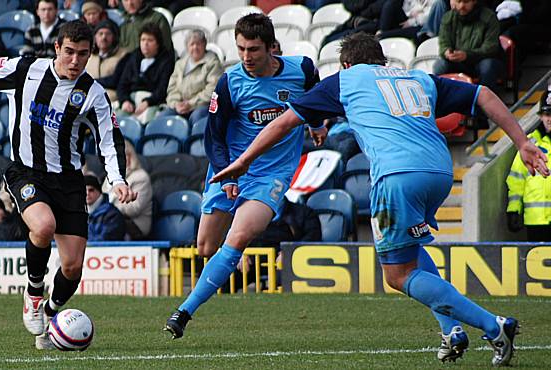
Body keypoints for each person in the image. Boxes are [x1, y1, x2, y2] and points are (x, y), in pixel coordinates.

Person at [210, 32, 550, 366]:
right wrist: (521, 141)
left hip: (397, 177)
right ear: (382, 60)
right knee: (412, 253)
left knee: (397, 275)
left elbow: (283, 124)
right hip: (440, 174)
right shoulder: (418, 78)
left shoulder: (344, 80)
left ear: (345, 64)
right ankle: (451, 330)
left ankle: (494, 326)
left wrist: (242, 162)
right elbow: (484, 95)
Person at [0, 20, 137, 350]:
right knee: (43, 226)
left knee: (72, 266)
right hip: (26, 172)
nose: (75, 61)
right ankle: (34, 292)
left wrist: (118, 180)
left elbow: (109, 141)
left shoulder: (93, 94)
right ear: (57, 48)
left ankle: (50, 319)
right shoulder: (26, 70)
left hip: (68, 182)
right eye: (69, 52)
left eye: (83, 54)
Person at [163, 13, 323, 340]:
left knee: (238, 237)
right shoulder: (230, 81)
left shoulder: (302, 69)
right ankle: (234, 254)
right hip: (230, 168)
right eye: (240, 49)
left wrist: (317, 124)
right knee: (207, 247)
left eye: (253, 49)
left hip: (272, 173)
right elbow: (214, 137)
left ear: (271, 48)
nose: (246, 57)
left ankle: (183, 312)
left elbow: (315, 98)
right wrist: (229, 177)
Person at [506, 90, 551, 242]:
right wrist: (513, 209)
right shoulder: (530, 144)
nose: (549, 119)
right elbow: (516, 179)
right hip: (536, 221)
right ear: (540, 116)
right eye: (547, 114)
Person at [433, 0, 503, 94]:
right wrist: (447, 52)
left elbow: (491, 48)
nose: (462, 6)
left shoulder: (489, 17)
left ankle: (483, 102)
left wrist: (467, 55)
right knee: (440, 65)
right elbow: (443, 43)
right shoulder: (448, 17)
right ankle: (440, 99)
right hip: (458, 61)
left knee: (488, 66)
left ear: (474, 1)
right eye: (458, 1)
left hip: (481, 61)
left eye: (466, 2)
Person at [160, 30, 223, 126]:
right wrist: (176, 104)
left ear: (204, 45)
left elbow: (213, 90)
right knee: (163, 117)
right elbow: (172, 88)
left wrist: (191, 103)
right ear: (187, 47)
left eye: (198, 44)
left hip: (202, 105)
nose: (195, 47)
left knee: (197, 117)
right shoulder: (180, 64)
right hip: (180, 105)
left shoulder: (213, 63)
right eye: (192, 44)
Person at [115, 23, 175, 123]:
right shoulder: (134, 57)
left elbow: (163, 88)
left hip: (152, 101)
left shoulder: (166, 60)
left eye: (150, 40)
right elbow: (122, 84)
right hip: (131, 99)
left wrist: (147, 102)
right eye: (143, 40)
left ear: (158, 44)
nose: (145, 44)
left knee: (148, 120)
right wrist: (125, 101)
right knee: (117, 120)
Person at [102, 140, 153, 239]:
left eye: (121, 156)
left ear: (130, 157)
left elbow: (135, 209)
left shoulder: (140, 177)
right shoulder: (109, 178)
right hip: (109, 219)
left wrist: (110, 204)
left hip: (134, 224)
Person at [86, 19, 127, 102]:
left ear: (114, 37)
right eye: (100, 34)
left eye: (108, 34)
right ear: (95, 37)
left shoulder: (124, 55)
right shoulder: (88, 56)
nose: (104, 37)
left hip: (112, 101)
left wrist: (92, 81)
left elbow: (117, 81)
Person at [86, 174, 126, 240]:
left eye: (91, 190)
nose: (87, 193)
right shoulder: (79, 213)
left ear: (99, 191)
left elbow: (105, 240)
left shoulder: (112, 215)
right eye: (84, 191)